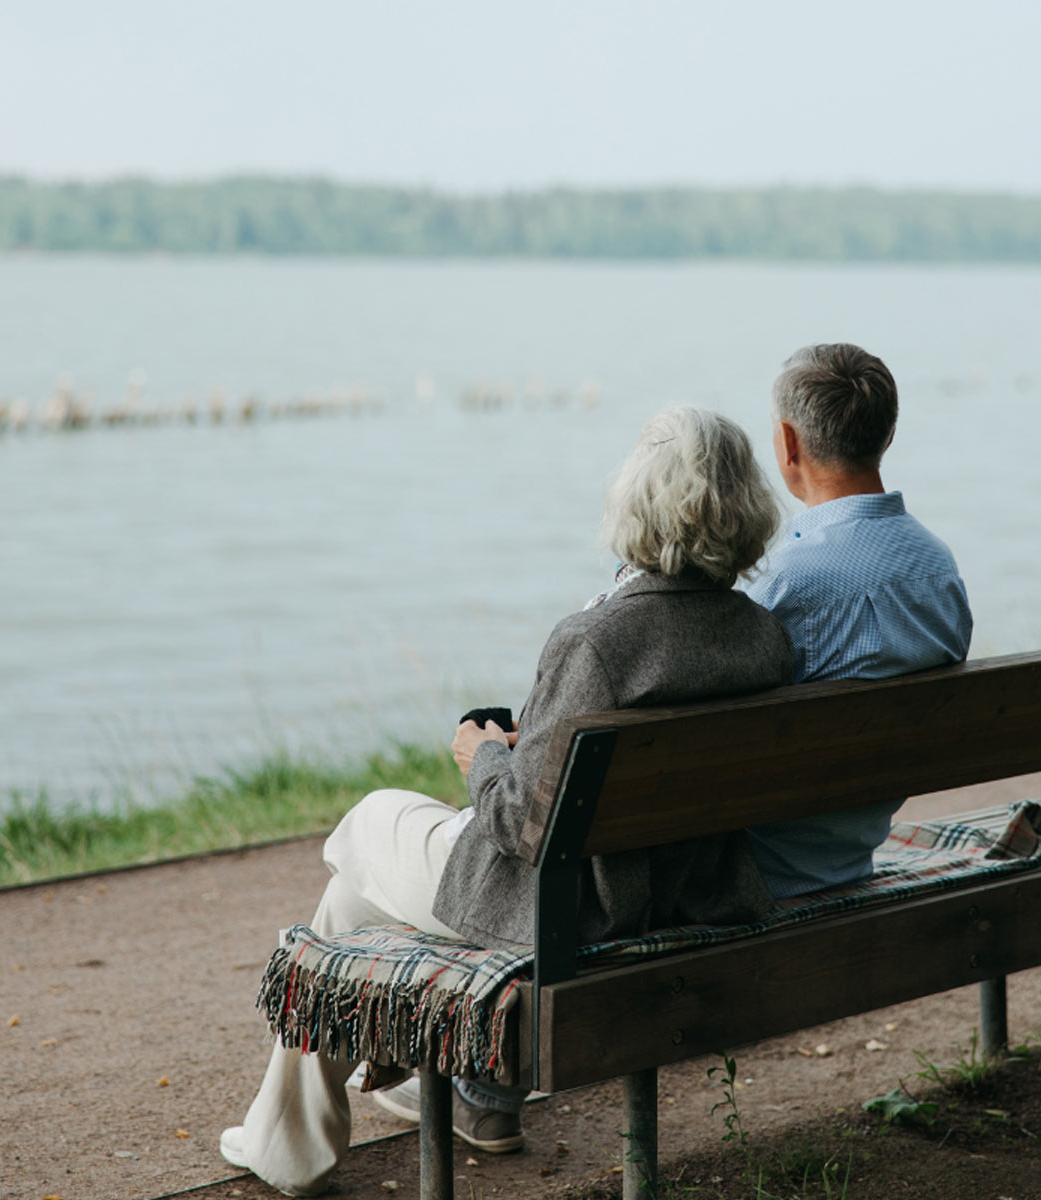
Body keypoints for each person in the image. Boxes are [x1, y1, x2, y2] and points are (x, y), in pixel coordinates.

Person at [220, 407, 793, 1197]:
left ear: (637, 505)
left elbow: (523, 825)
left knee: (369, 824)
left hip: (573, 908)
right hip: (684, 889)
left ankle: (304, 1140)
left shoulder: (594, 640)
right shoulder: (764, 636)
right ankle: (344, 1126)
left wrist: (482, 754)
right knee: (351, 902)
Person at [744, 342, 973, 899]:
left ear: (788, 442)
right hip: (858, 844)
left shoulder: (782, 583)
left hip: (758, 867)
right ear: (888, 435)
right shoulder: (938, 569)